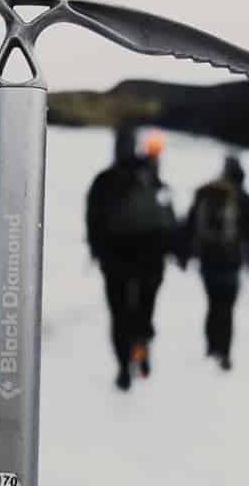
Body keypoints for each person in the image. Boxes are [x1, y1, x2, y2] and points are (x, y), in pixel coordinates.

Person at [86, 126, 179, 391]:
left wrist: (96, 249)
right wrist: (173, 246)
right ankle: (141, 349)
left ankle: (124, 365)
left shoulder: (104, 180)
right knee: (144, 309)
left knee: (119, 313)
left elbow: (93, 218)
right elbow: (166, 213)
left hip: (114, 257)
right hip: (151, 255)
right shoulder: (149, 174)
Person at [181, 154, 249, 371]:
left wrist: (184, 253)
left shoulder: (208, 193)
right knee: (226, 307)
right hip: (231, 261)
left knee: (213, 303)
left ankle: (211, 346)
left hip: (208, 260)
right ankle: (224, 351)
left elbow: (190, 224)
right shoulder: (243, 198)